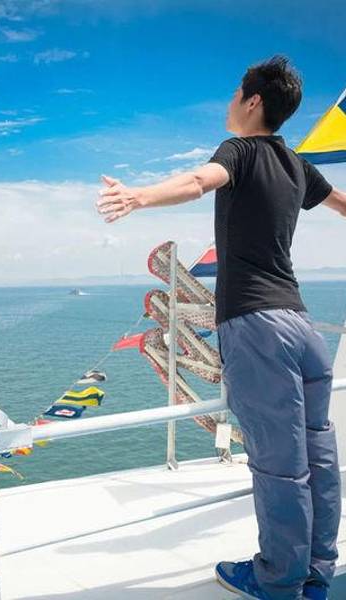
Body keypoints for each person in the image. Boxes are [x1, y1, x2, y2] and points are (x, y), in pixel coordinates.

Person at [96, 55, 346, 600]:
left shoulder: (240, 150)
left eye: (236, 93)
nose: (230, 101)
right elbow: (343, 205)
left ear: (253, 102)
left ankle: (278, 580)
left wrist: (138, 196)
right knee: (319, 457)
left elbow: (197, 181)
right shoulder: (298, 165)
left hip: (257, 325)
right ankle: (316, 575)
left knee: (280, 464)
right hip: (301, 327)